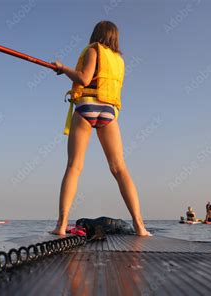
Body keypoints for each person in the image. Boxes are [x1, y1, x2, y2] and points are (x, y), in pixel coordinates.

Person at [51, 21, 150, 236]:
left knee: (74, 167)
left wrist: (63, 68)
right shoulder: (119, 60)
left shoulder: (94, 50)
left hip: (87, 107)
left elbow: (84, 78)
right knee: (119, 169)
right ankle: (140, 226)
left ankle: (60, 226)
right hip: (109, 112)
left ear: (96, 34)